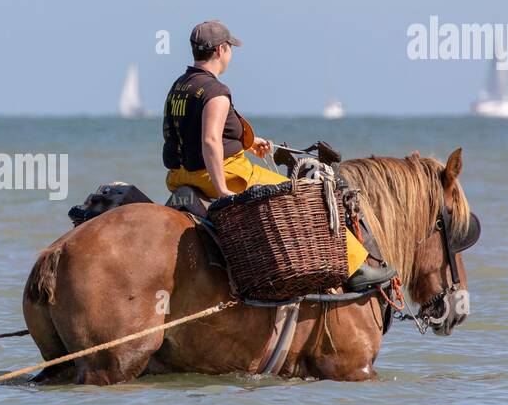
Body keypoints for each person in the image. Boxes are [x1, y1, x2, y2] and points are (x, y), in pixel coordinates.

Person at [162, 20, 395, 292]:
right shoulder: (216, 92)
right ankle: (355, 267)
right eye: (230, 48)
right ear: (222, 50)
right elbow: (210, 140)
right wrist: (223, 189)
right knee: (304, 198)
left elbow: (189, 132)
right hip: (224, 174)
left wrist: (249, 143)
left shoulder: (179, 87)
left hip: (179, 176)